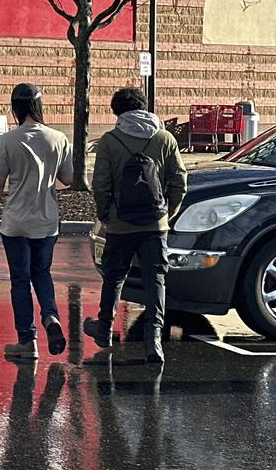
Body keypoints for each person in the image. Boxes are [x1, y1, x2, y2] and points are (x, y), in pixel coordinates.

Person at [84, 87, 187, 363]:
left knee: (114, 276)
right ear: (144, 107)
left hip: (120, 225)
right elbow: (179, 182)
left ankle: (104, 329)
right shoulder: (165, 138)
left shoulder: (109, 141)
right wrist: (167, 215)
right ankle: (154, 339)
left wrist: (105, 215)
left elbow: (101, 185)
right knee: (156, 280)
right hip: (155, 225)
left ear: (117, 112)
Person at [0, 83, 75, 361]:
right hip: (47, 221)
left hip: (16, 222)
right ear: (40, 107)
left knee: (20, 280)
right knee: (42, 273)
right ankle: (51, 316)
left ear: (15, 109)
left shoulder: (7, 141)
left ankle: (27, 341)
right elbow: (69, 179)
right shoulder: (58, 138)